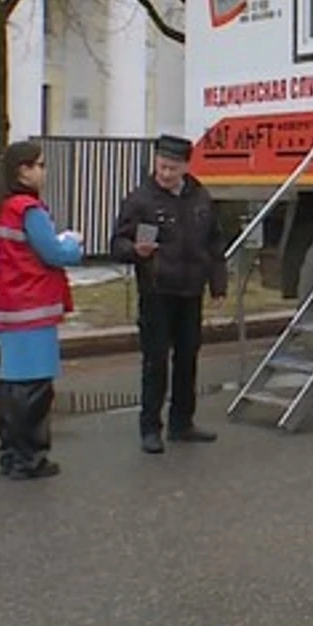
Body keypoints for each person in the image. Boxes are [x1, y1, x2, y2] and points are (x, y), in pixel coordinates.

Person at [111, 134, 229, 454]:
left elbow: (215, 245)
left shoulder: (200, 197)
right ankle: (150, 427)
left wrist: (218, 284)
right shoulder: (141, 200)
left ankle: (182, 422)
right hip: (157, 291)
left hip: (191, 291)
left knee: (188, 357)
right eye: (162, 167)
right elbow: (117, 244)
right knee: (156, 360)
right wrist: (136, 250)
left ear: (185, 167)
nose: (165, 174)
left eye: (172, 168)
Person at [0, 139, 84, 479]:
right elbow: (55, 254)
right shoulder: (28, 209)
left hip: (8, 307)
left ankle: (11, 453)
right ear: (22, 171)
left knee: (12, 385)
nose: (43, 171)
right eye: (39, 165)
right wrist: (72, 241)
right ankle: (31, 458)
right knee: (35, 388)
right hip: (33, 307)